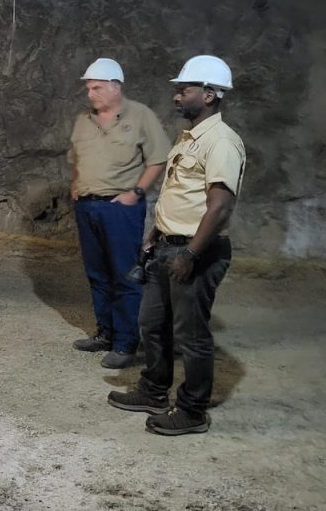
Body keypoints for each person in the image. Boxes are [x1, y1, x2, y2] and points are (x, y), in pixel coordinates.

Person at [108, 55, 245, 436]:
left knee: (191, 335)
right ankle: (153, 391)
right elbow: (179, 195)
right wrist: (156, 235)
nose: (177, 96)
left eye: (184, 89)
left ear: (211, 94)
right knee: (152, 324)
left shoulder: (221, 142)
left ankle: (193, 411)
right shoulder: (190, 138)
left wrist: (190, 253)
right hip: (169, 247)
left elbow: (219, 207)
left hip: (195, 252)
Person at [69, 58, 171, 369]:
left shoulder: (140, 116)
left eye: (97, 87)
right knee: (97, 273)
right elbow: (74, 156)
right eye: (88, 87)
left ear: (116, 86)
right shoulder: (83, 121)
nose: (91, 93)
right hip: (87, 206)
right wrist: (75, 186)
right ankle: (105, 333)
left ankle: (126, 342)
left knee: (124, 274)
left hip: (119, 209)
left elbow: (158, 158)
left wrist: (136, 192)